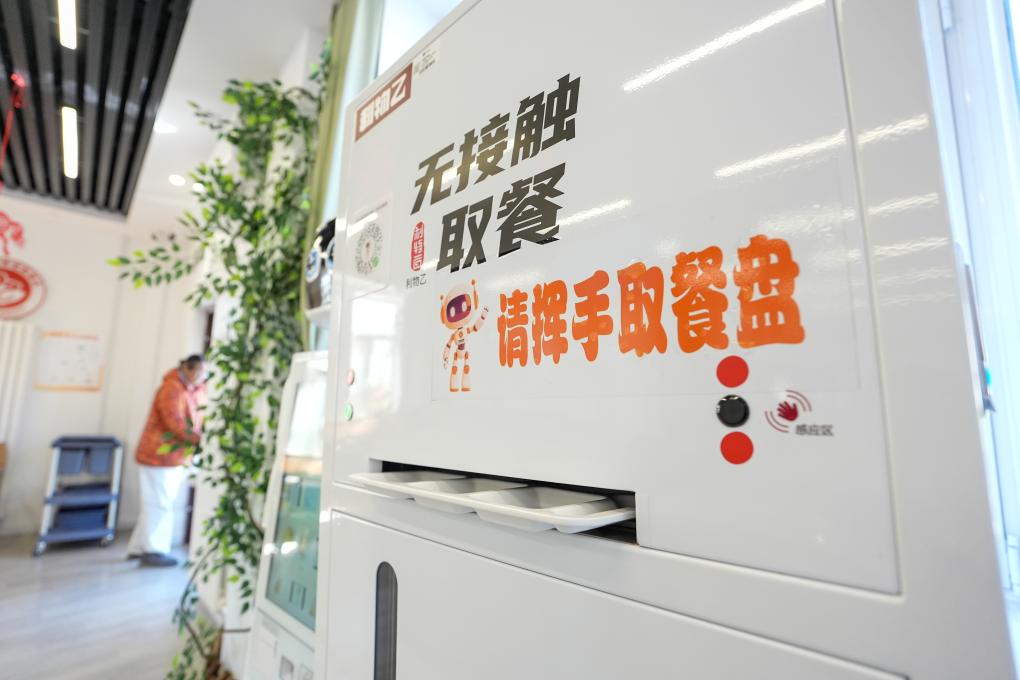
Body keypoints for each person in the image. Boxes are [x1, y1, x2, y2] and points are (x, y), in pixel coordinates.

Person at [127, 354, 207, 567]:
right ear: (188, 369)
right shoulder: (171, 388)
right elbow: (175, 423)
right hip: (158, 456)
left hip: (173, 456)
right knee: (159, 504)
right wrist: (202, 440)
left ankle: (138, 547)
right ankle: (153, 551)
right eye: (200, 373)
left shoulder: (192, 389)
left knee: (154, 503)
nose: (203, 378)